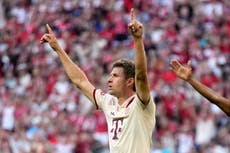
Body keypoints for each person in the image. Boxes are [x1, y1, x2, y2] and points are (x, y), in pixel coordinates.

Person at [40, 8, 156, 153]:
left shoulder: (141, 104)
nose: (109, 80)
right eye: (110, 75)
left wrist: (138, 39)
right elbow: (80, 81)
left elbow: (141, 76)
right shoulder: (109, 102)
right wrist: (58, 49)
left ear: (129, 81)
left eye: (115, 76)